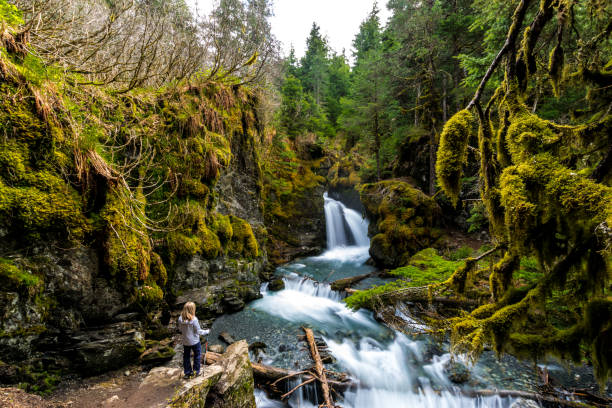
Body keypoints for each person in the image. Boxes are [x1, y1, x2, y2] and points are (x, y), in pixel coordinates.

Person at [178, 301, 209, 379]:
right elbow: (199, 331)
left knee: (186, 357)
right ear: (192, 310)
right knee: (197, 356)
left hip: (185, 342)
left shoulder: (180, 318)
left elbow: (180, 329)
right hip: (195, 341)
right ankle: (196, 371)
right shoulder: (194, 319)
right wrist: (207, 331)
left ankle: (188, 373)